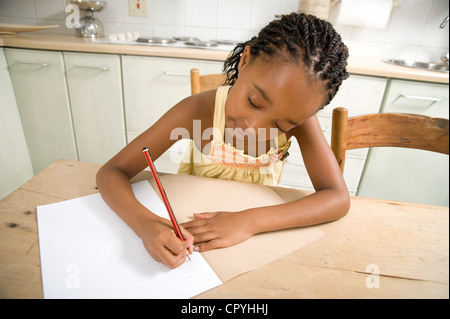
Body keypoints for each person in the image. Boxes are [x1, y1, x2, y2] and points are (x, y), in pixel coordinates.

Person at [96, 12, 351, 269]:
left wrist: (251, 221)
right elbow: (111, 172)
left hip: (251, 245)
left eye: (279, 126)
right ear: (245, 60)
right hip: (191, 231)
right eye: (254, 102)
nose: (253, 127)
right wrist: (145, 224)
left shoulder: (301, 121)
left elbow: (337, 198)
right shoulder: (195, 111)